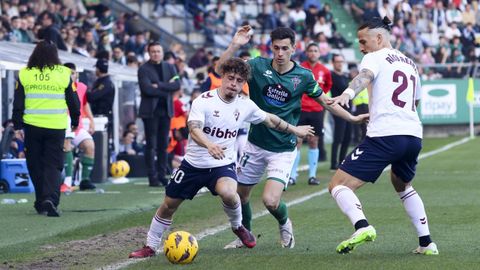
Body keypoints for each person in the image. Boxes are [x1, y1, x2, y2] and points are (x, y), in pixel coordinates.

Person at [128, 57, 315, 258]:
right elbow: (194, 129)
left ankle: (238, 227)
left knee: (230, 193)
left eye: (239, 81)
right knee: (168, 205)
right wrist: (209, 145)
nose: (234, 84)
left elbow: (270, 119)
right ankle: (150, 246)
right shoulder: (204, 101)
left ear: (244, 83)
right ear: (222, 77)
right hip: (193, 164)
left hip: (221, 166)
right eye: (231, 78)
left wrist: (295, 129)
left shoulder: (245, 105)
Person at [219, 26, 368, 249]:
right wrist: (235, 45)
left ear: (294, 48)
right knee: (240, 196)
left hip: (283, 147)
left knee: (270, 201)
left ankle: (284, 222)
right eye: (276, 48)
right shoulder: (257, 66)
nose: (280, 53)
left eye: (285, 48)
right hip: (255, 144)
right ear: (271, 47)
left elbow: (326, 102)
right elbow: (222, 69)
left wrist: (352, 119)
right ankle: (245, 236)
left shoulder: (304, 76)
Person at [328, 17, 438, 255]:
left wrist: (347, 93)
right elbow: (414, 101)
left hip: (385, 135)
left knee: (337, 184)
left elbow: (364, 76)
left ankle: (362, 226)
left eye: (363, 41)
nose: (361, 47)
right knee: (402, 184)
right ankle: (427, 242)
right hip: (412, 135)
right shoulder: (410, 63)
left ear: (379, 38)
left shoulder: (374, 57)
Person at [12, 41, 80, 217]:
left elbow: (18, 102)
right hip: (55, 126)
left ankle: (41, 200)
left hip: (32, 126)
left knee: (35, 164)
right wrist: (75, 119)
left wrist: (17, 125)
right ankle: (50, 199)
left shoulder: (25, 74)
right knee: (53, 165)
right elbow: (73, 99)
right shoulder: (64, 73)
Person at [138, 41, 181, 187]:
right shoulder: (143, 69)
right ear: (149, 53)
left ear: (162, 53)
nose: (156, 53)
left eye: (158, 51)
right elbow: (147, 90)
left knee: (163, 145)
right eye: (153, 51)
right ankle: (152, 176)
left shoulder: (169, 67)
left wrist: (160, 85)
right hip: (150, 112)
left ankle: (162, 175)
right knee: (151, 145)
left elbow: (177, 84)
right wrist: (166, 89)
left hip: (166, 111)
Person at [289, 42, 332, 186]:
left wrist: (319, 102)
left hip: (316, 110)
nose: (313, 53)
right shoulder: (299, 68)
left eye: (315, 50)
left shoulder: (324, 70)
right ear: (306, 53)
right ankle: (292, 175)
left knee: (314, 141)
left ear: (319, 53)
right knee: (297, 142)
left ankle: (312, 176)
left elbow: (326, 87)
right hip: (300, 110)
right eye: (311, 51)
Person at [62, 63, 96, 192]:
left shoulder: (81, 87)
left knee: (89, 145)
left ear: (77, 74)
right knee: (67, 144)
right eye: (68, 73)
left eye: (72, 72)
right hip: (63, 125)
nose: (71, 75)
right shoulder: (59, 87)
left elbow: (85, 103)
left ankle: (85, 180)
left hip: (77, 126)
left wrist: (91, 120)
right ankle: (67, 182)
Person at [86, 58, 115, 159]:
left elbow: (92, 97)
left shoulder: (105, 83)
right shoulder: (101, 81)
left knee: (102, 145)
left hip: (103, 117)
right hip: (98, 116)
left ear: (98, 69)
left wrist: (85, 91)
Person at [329, 54, 352, 171]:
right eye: (337, 61)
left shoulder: (345, 76)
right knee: (338, 137)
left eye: (341, 61)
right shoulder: (331, 76)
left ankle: (341, 161)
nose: (340, 63)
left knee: (347, 137)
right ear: (333, 63)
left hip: (348, 109)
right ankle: (333, 163)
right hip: (338, 110)